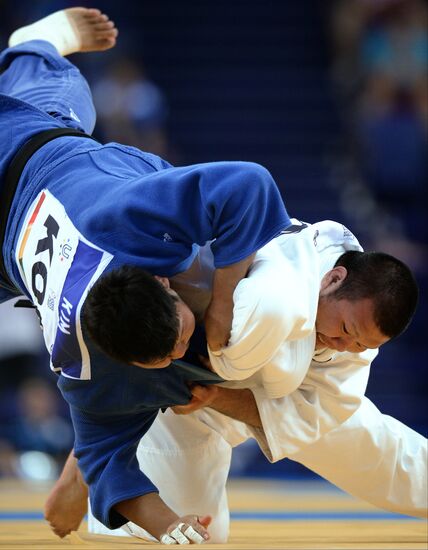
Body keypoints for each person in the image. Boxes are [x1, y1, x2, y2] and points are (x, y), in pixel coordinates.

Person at [0, 8, 292, 544]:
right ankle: (33, 50)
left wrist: (224, 300)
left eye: (177, 338)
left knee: (62, 97)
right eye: (171, 349)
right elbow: (102, 451)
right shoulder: (83, 352)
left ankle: (36, 48)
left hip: (23, 196)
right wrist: (168, 525)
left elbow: (248, 184)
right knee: (53, 96)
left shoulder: (128, 231)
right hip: (23, 190)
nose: (182, 351)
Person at [46, 222, 425, 542]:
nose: (345, 346)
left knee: (378, 451)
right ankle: (97, 448)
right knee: (180, 533)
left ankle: (96, 446)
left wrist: (215, 396)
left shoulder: (356, 336)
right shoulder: (278, 276)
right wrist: (221, 310)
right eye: (345, 330)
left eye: (360, 344)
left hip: (236, 398)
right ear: (333, 278)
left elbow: (313, 417)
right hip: (176, 386)